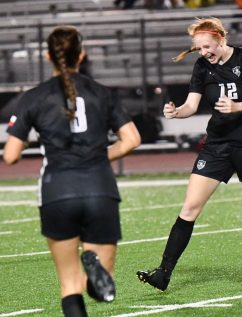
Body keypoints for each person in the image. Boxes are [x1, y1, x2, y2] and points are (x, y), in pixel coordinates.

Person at [3, 26, 141, 317]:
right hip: (100, 188)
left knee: (68, 285)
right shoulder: (102, 93)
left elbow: (11, 155)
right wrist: (98, 154)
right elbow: (132, 139)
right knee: (101, 286)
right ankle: (93, 272)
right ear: (82, 54)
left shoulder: (33, 97)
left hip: (57, 191)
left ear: (47, 56)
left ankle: (88, 277)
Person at [136, 17, 242, 291]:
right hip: (217, 146)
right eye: (198, 49)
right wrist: (176, 113)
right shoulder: (202, 66)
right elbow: (191, 105)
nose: (203, 53)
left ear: (221, 40)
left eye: (207, 47)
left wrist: (235, 107)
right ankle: (163, 273)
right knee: (189, 208)